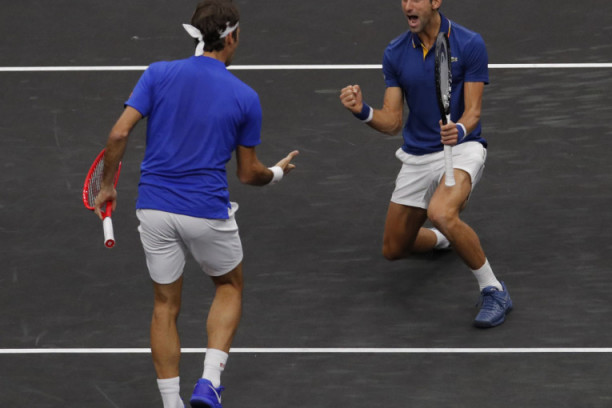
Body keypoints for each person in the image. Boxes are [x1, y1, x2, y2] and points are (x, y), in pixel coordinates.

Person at [93, 1, 298, 407]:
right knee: (229, 285)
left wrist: (107, 186)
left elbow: (118, 134)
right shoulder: (245, 97)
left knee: (165, 304)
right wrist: (276, 173)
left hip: (154, 209)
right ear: (232, 37)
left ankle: (171, 404)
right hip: (206, 212)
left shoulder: (157, 73)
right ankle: (209, 381)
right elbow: (248, 174)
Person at [339, 0, 512, 328]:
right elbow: (392, 122)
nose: (408, 5)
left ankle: (494, 289)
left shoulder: (469, 43)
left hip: (462, 148)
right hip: (417, 156)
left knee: (441, 212)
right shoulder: (395, 52)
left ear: (435, 2)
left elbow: (473, 112)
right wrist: (363, 111)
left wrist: (459, 130)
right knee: (394, 248)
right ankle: (444, 238)